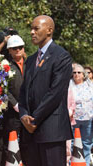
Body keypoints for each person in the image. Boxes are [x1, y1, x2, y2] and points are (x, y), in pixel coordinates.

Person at [19, 15, 73, 166]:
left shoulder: (61, 57)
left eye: (36, 28)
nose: (31, 32)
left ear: (49, 30)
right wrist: (23, 115)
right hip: (29, 132)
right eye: (31, 28)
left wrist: (34, 119)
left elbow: (55, 93)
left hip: (51, 131)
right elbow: (24, 92)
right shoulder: (30, 60)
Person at [0, 35, 26, 166]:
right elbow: (2, 88)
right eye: (14, 48)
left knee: (27, 143)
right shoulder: (5, 66)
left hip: (28, 110)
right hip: (11, 112)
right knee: (10, 142)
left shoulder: (31, 64)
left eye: (20, 47)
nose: (17, 50)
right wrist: (14, 103)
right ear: (9, 50)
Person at [69, 63, 93, 166]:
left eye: (79, 72)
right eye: (74, 72)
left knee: (87, 143)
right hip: (74, 120)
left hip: (88, 119)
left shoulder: (89, 85)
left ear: (83, 75)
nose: (77, 74)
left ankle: (85, 163)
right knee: (73, 144)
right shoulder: (69, 85)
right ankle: (72, 163)